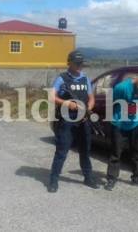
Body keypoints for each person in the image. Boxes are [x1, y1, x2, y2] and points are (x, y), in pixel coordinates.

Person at [48, 50, 99, 193]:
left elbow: (91, 97)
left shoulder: (85, 78)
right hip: (67, 120)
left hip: (83, 120)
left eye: (81, 64)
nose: (79, 67)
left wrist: (88, 108)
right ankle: (53, 180)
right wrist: (67, 104)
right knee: (62, 151)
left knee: (85, 150)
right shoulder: (61, 78)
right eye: (77, 64)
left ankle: (88, 178)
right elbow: (52, 97)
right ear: (69, 63)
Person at [104, 78, 138, 191]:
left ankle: (137, 177)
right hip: (119, 124)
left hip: (136, 123)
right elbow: (110, 102)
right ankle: (111, 179)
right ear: (137, 86)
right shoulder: (121, 88)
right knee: (116, 153)